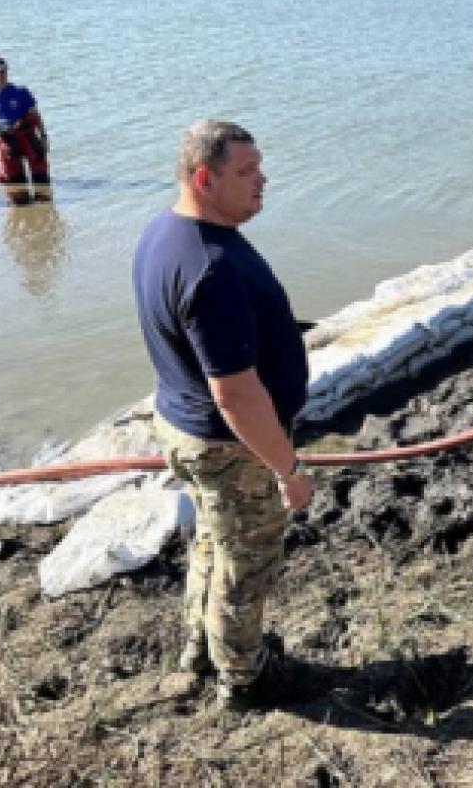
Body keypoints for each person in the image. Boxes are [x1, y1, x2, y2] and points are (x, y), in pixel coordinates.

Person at [132, 120, 315, 711]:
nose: (263, 180)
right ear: (205, 178)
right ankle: (245, 676)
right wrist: (287, 468)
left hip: (182, 424)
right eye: (247, 172)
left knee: (213, 541)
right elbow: (234, 394)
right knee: (247, 559)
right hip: (227, 446)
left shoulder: (164, 234)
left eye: (260, 166)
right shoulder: (211, 268)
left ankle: (205, 649)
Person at [0, 57, 51, 193]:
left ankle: (44, 206)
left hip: (27, 136)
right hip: (8, 140)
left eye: (4, 71)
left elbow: (35, 115)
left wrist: (43, 136)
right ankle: (21, 206)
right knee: (16, 183)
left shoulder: (21, 92)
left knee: (41, 179)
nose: (2, 74)